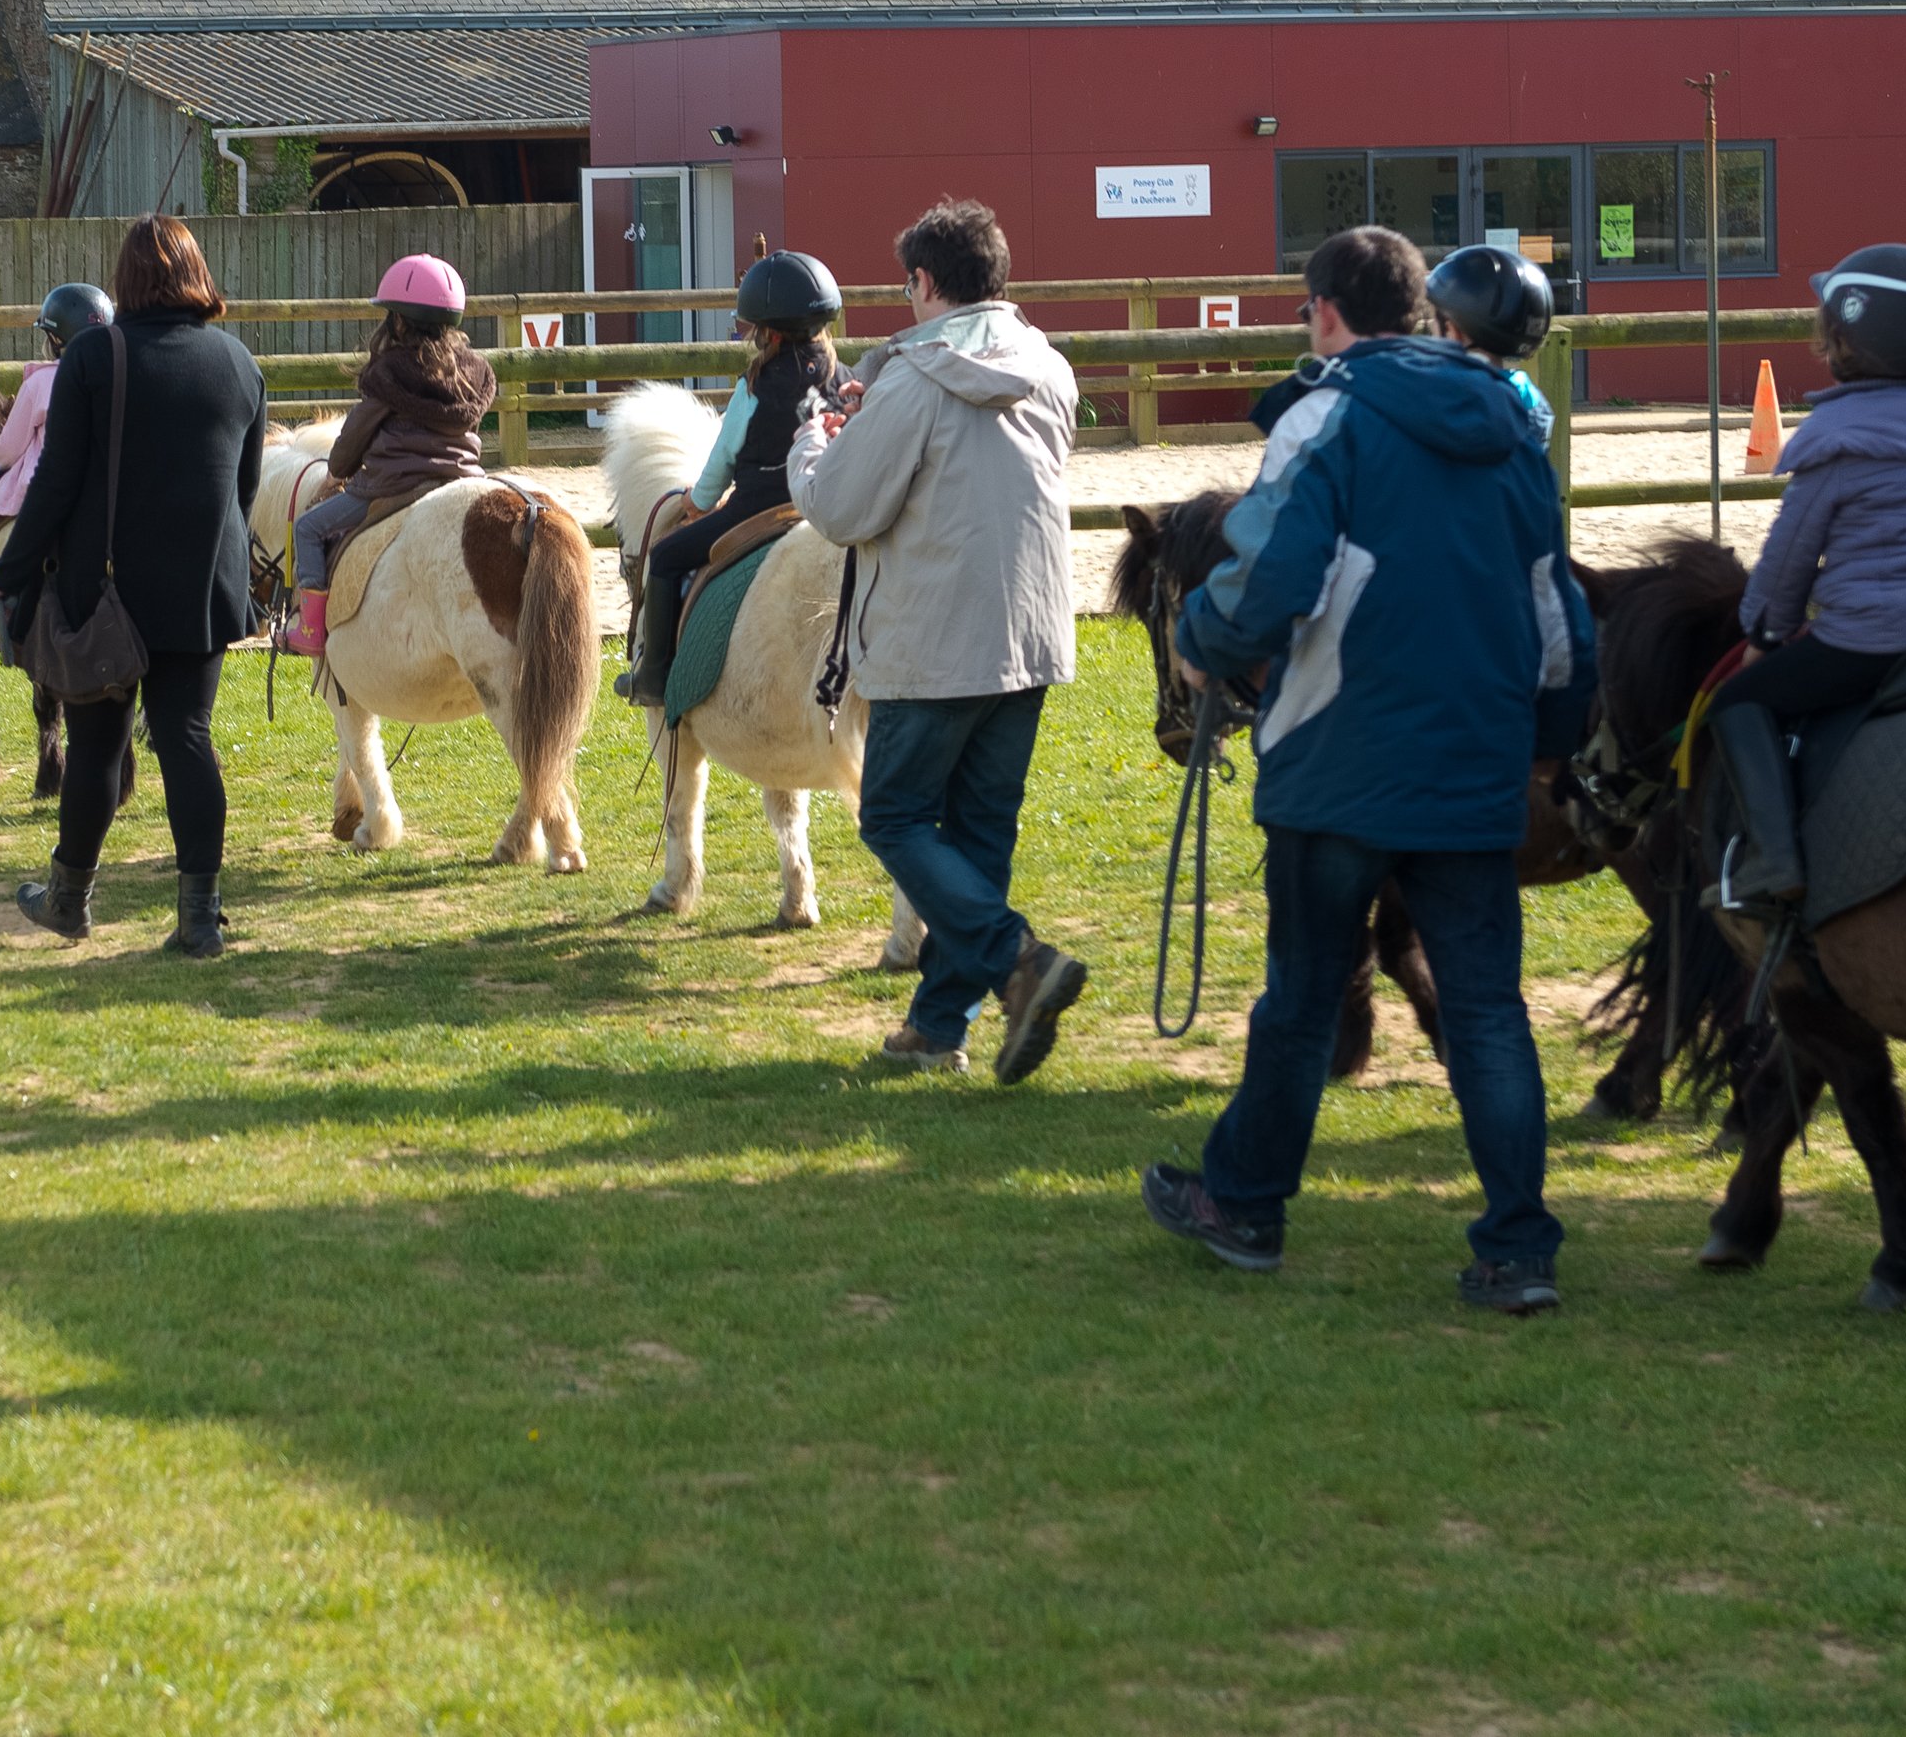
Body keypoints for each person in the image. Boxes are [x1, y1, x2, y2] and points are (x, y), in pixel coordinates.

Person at [1143, 223, 1596, 1314]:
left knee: (1299, 1001)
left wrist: (1201, 644)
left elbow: (1269, 574)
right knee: (1489, 1010)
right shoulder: (1515, 428)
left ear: (1328, 314)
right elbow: (1556, 618)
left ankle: (1245, 1205)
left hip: (1336, 758)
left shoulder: (1323, 412)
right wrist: (1552, 740)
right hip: (1472, 766)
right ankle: (1517, 1247)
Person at [786, 198, 1088, 1084]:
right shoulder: (1050, 368)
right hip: (1029, 632)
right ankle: (938, 1025)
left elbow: (841, 508)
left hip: (930, 635)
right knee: (981, 832)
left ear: (923, 282)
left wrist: (815, 442)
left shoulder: (914, 381)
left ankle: (1015, 959)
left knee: (894, 816)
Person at [0, 215, 270, 956]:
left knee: (98, 748)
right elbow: (244, 490)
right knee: (187, 741)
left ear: (126, 279)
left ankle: (69, 901)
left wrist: (5, 578)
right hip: (201, 587)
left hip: (105, 590)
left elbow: (54, 487)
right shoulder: (239, 363)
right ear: (197, 272)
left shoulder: (93, 358)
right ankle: (200, 918)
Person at [1707, 243, 1906, 918]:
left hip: (1872, 639)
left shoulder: (1837, 437)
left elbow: (1787, 564)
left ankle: (1772, 861)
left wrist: (1764, 634)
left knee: (1740, 705)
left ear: (1849, 340)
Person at [616, 249, 849, 706]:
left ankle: (655, 677)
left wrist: (699, 502)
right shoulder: (845, 380)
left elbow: (724, 457)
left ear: (768, 331)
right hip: (824, 509)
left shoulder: (754, 387)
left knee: (664, 558)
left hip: (757, 511)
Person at [281, 255, 498, 659]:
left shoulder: (389, 375)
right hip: (463, 481)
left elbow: (346, 453)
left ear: (397, 321)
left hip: (392, 486)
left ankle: (310, 627)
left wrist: (340, 468)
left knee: (309, 528)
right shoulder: (472, 374)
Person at [0, 281, 112, 627]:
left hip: (44, 489)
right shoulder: (118, 375)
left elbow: (9, 449)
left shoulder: (40, 382)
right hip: (105, 489)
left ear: (56, 339)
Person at [1426, 242, 1557, 441]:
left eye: (1434, 322)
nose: (1430, 329)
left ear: (1452, 331)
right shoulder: (1531, 402)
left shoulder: (1438, 404)